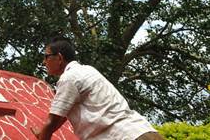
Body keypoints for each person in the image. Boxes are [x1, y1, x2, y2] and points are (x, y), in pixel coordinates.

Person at [33, 36, 163, 140]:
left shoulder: (68, 78)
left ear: (60, 58)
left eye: (46, 56)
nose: (44, 62)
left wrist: (44, 134)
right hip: (143, 131)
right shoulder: (88, 70)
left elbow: (51, 122)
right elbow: (61, 115)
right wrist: (43, 132)